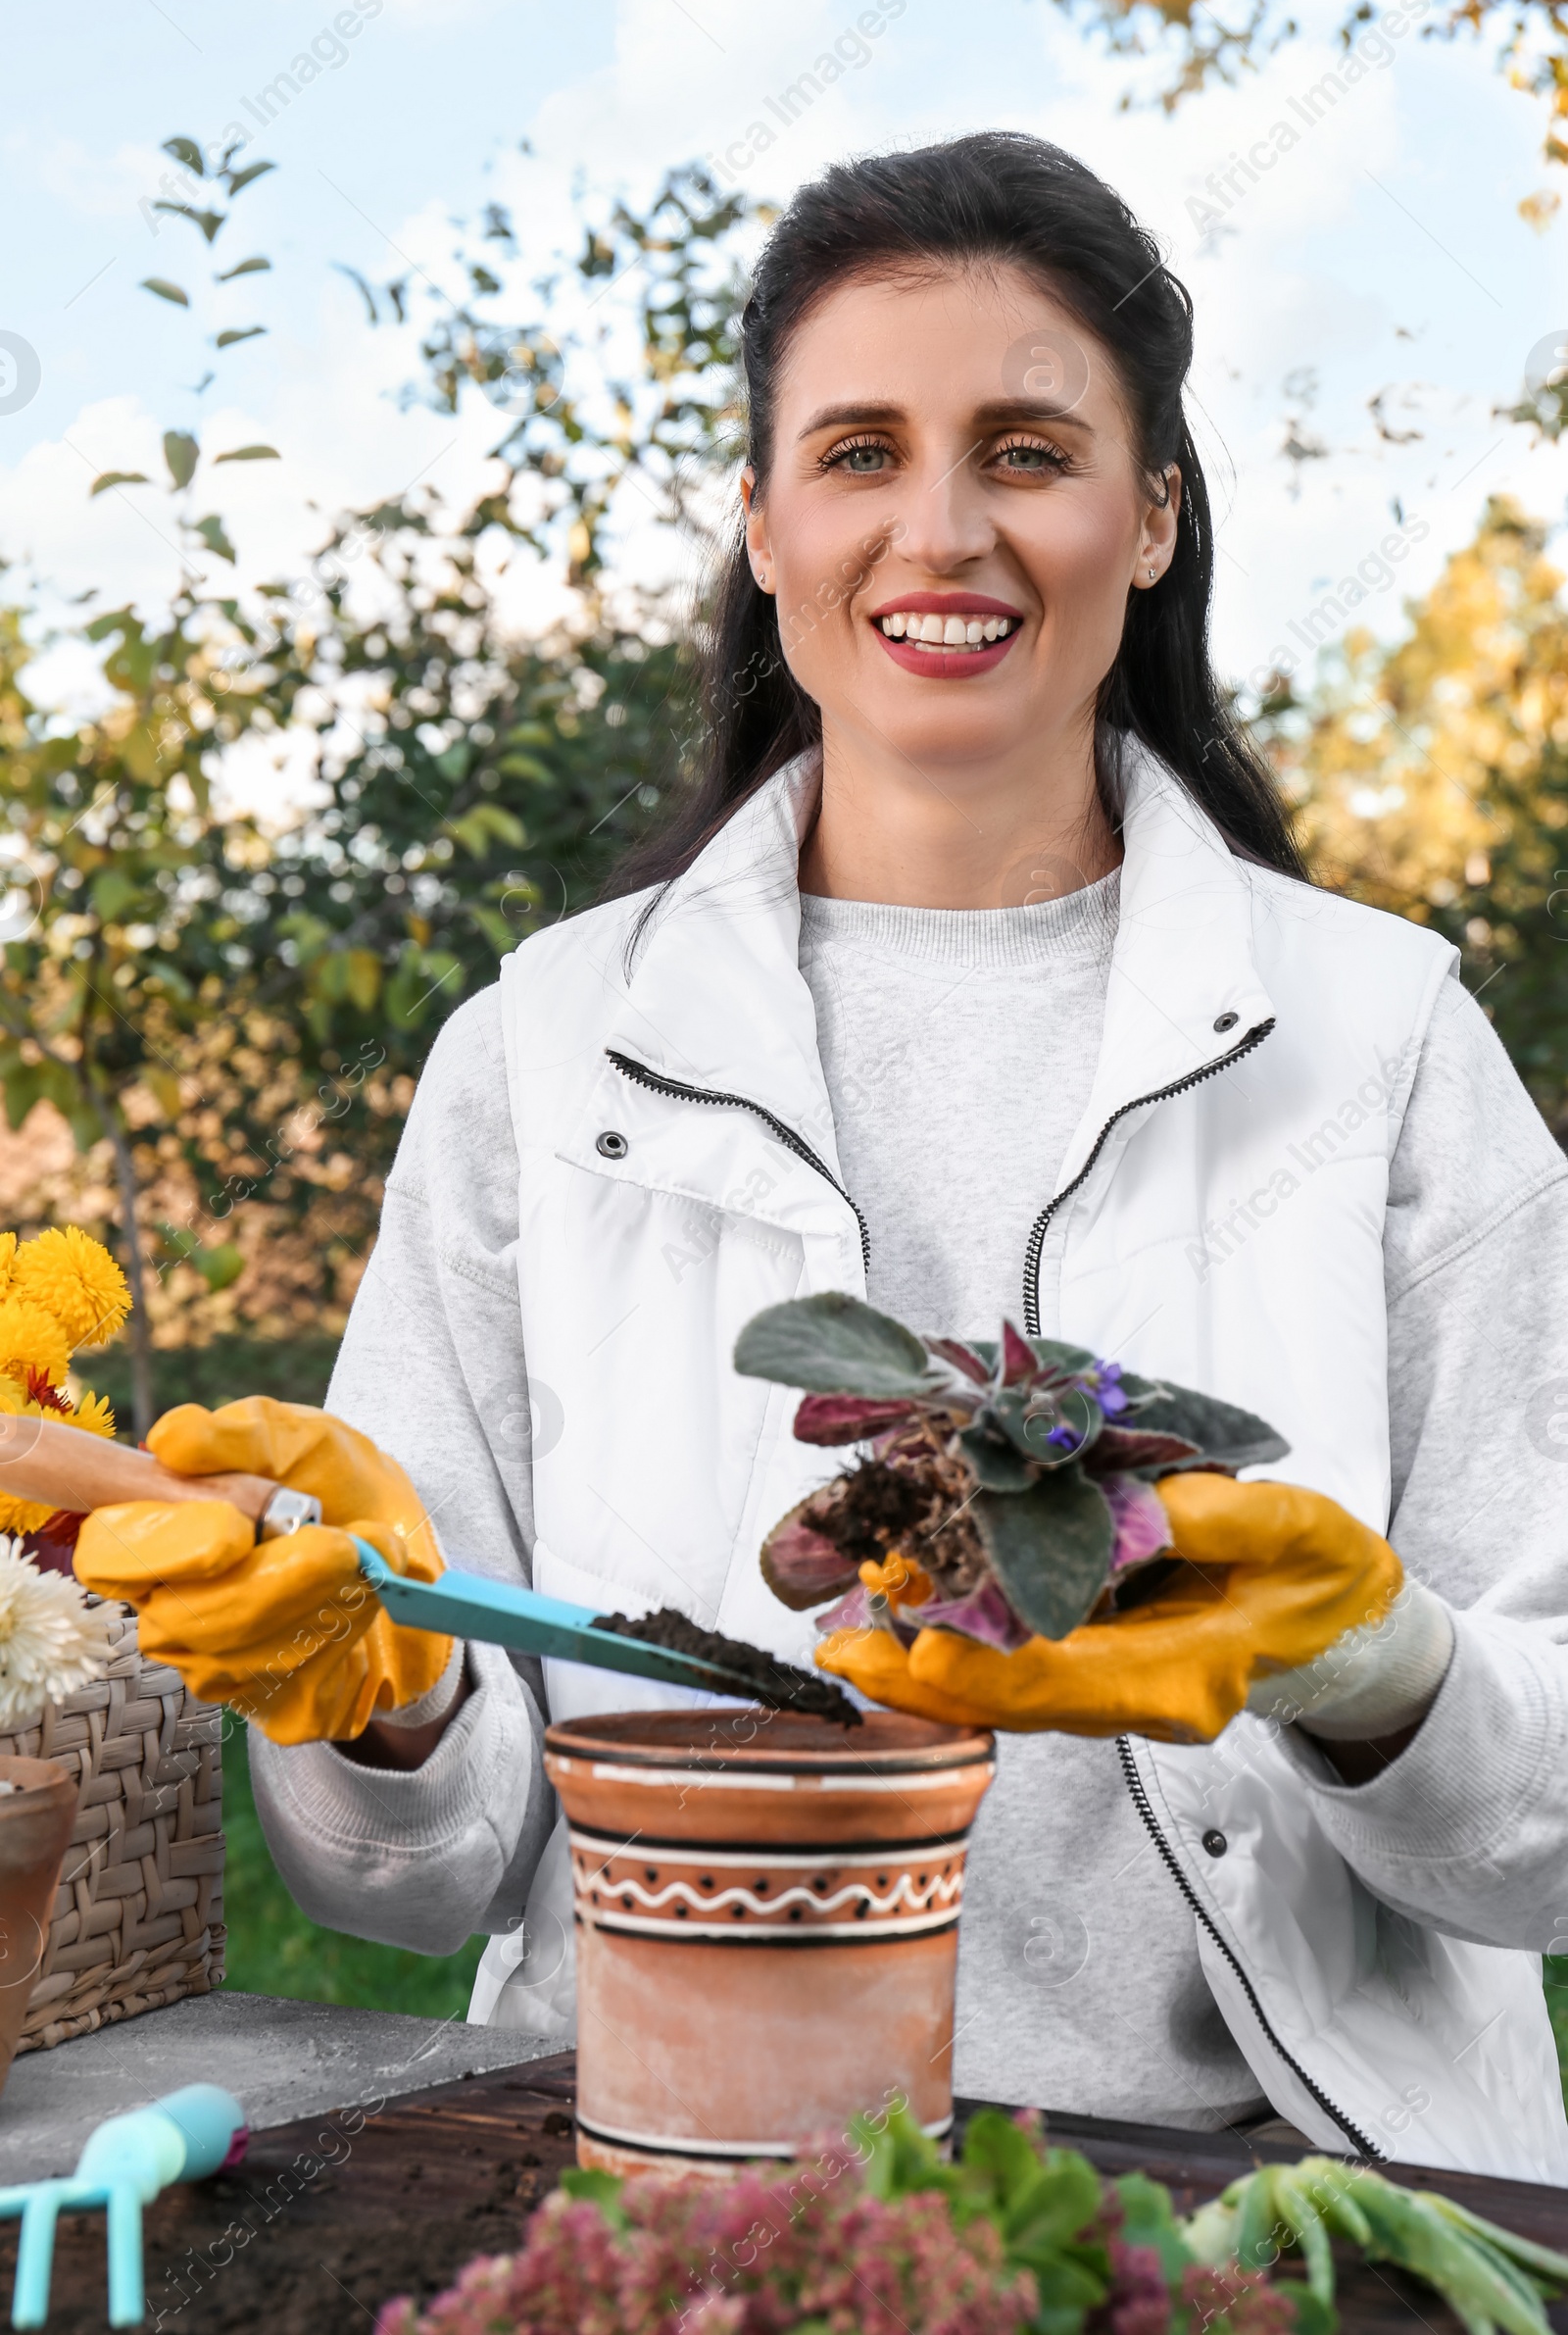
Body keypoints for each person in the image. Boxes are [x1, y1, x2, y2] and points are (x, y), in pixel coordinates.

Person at [78, 132, 1568, 2183]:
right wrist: (390, 1700)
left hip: (1270, 2202)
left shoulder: (1381, 1043)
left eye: (1027, 452)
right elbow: (405, 1886)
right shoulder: (537, 1056)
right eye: (857, 450)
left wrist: (1376, 1666)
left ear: (1147, 519)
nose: (936, 531)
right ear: (763, 524)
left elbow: (1544, 1844)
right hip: (660, 2168)